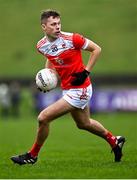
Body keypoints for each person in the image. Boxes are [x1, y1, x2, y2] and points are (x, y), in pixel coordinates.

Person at [11, 9, 125, 165]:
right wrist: (47, 79)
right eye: (53, 24)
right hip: (68, 88)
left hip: (81, 89)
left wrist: (86, 72)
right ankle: (114, 140)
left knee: (43, 118)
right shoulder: (41, 45)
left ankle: (32, 155)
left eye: (58, 23)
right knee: (84, 124)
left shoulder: (72, 39)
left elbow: (96, 49)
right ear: (44, 27)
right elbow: (51, 59)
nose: (57, 27)